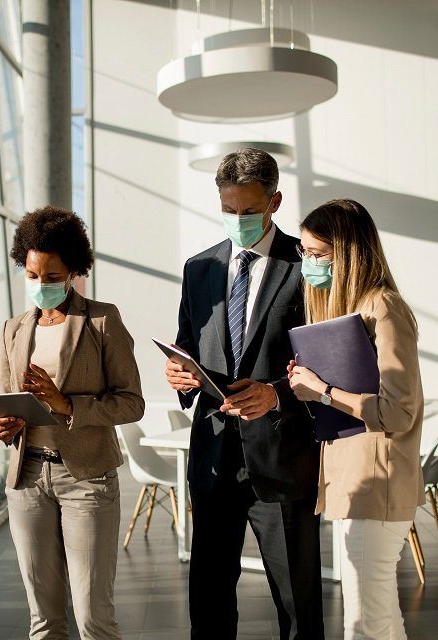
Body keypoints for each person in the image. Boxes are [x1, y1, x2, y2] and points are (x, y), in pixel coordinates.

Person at [165, 148, 324, 639]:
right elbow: (187, 342)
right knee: (209, 604)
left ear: (274, 201)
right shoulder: (199, 269)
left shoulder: (308, 265)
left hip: (281, 457)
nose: (238, 220)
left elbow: (328, 358)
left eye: (248, 211)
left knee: (298, 605)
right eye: (228, 210)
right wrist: (180, 376)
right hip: (213, 457)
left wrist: (277, 394)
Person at [0, 205, 144, 640]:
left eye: (53, 277)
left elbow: (132, 403)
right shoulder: (13, 329)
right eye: (33, 276)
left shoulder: (101, 320)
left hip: (87, 480)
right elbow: (11, 402)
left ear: (75, 271)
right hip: (27, 479)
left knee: (94, 618)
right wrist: (6, 426)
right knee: (43, 621)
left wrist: (66, 404)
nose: (42, 285)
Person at [288, 198, 424, 640]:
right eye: (304, 253)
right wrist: (309, 387)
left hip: (377, 484)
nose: (308, 264)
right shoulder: (346, 311)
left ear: (347, 254)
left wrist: (324, 391)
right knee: (381, 617)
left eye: (318, 255)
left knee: (362, 623)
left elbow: (398, 412)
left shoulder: (383, 308)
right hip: (352, 482)